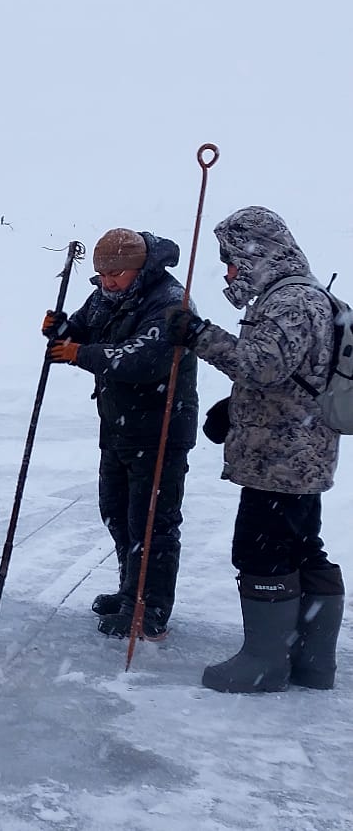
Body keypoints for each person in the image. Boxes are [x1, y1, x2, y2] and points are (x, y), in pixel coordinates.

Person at [165, 206, 344, 693]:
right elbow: (293, 375)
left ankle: (264, 663)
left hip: (281, 459)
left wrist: (200, 335)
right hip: (299, 451)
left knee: (261, 550)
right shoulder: (305, 296)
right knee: (302, 548)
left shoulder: (290, 301)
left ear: (256, 254)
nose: (228, 273)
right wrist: (235, 408)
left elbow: (262, 366)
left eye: (231, 261)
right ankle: (312, 663)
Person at [43, 228, 198, 640]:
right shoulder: (107, 296)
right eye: (103, 274)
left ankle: (148, 609)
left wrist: (80, 354)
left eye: (117, 274)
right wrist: (62, 330)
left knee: (151, 524)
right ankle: (131, 591)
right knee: (117, 512)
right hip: (118, 426)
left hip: (159, 429)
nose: (108, 282)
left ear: (138, 267)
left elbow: (144, 360)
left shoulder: (169, 302)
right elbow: (84, 329)